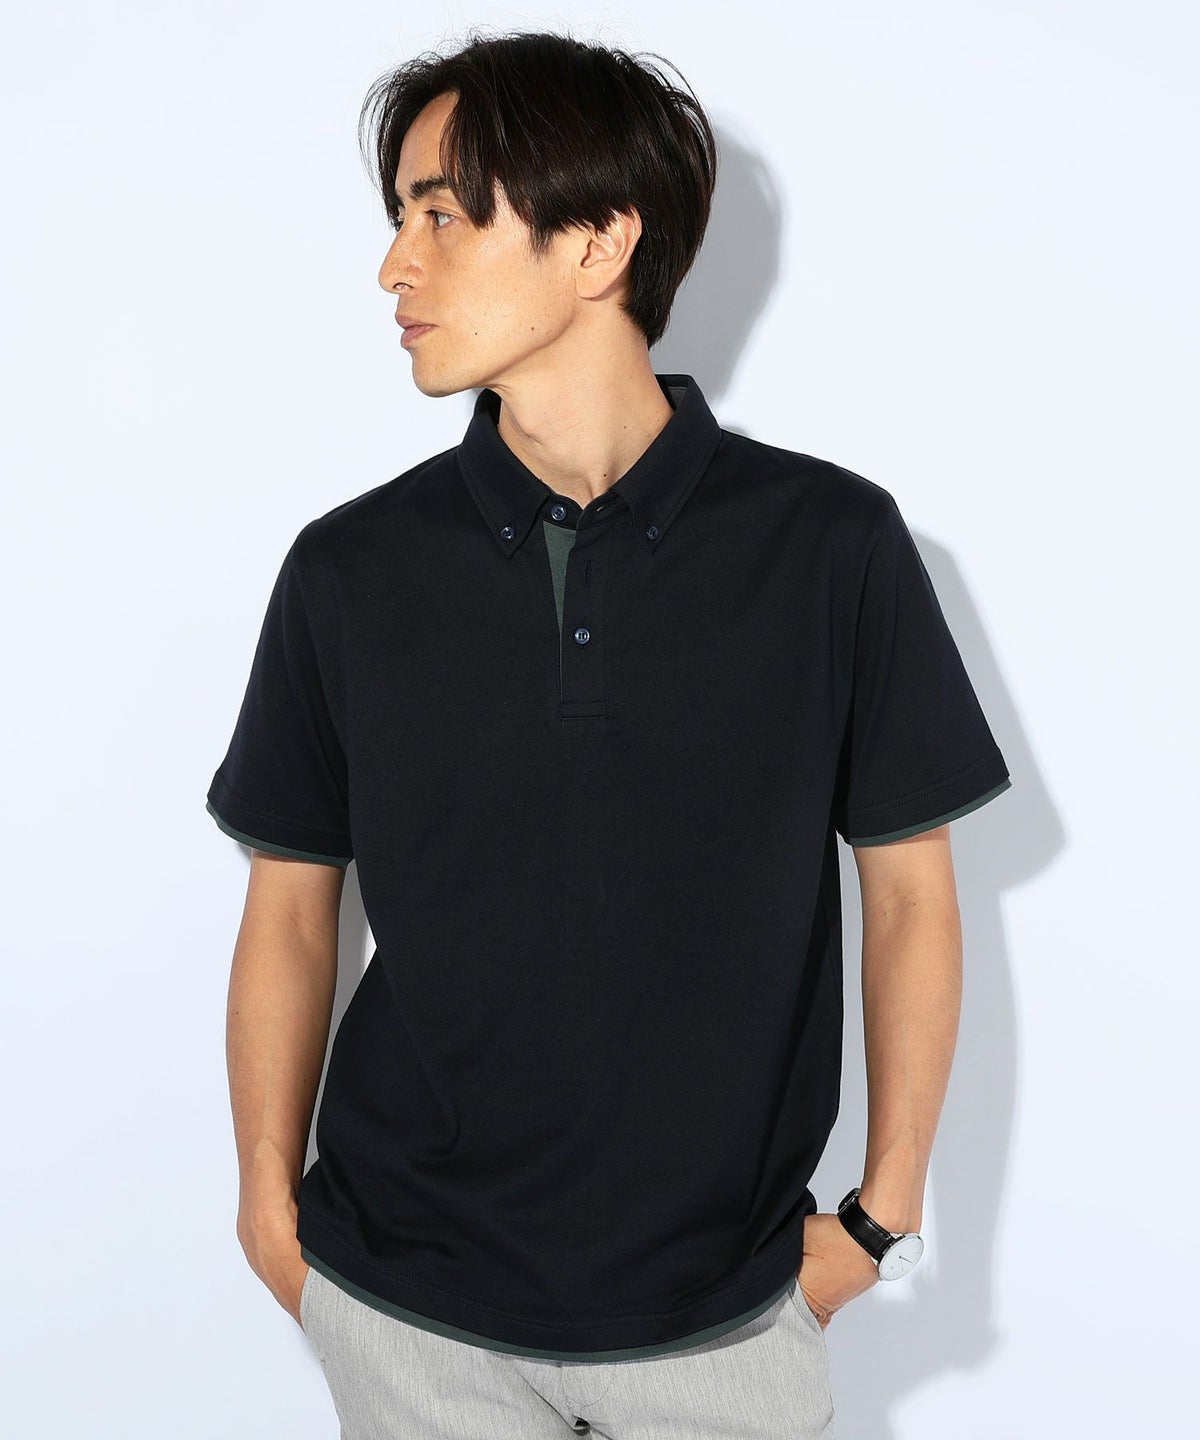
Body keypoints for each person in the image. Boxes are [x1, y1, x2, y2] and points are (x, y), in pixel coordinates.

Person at [206, 27, 1011, 1440]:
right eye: (399, 218)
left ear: (597, 242)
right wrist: (271, 1217)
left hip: (727, 1315)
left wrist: (878, 1222)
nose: (395, 266)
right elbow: (289, 909)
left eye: (441, 216)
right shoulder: (349, 570)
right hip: (405, 1311)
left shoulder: (831, 546)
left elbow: (908, 897)